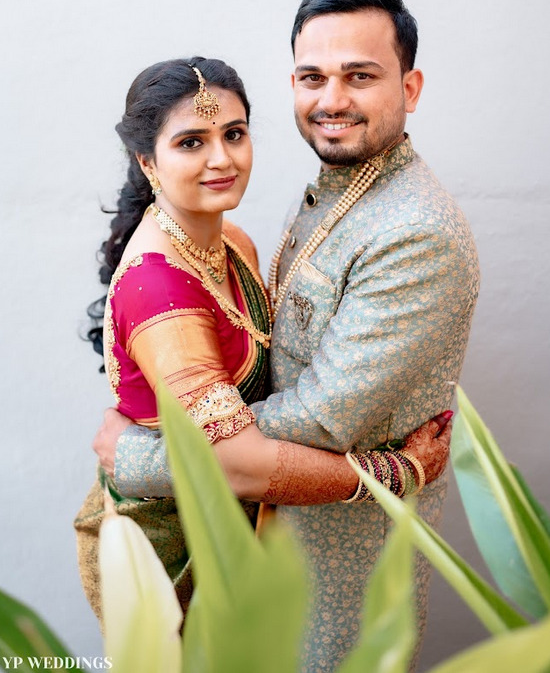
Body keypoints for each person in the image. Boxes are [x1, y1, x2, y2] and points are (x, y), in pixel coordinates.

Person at [76, 55, 452, 632]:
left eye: (233, 134)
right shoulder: (160, 291)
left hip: (241, 527)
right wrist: (395, 473)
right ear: (148, 161)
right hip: (174, 551)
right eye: (192, 142)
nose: (221, 159)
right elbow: (237, 463)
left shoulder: (231, 241)